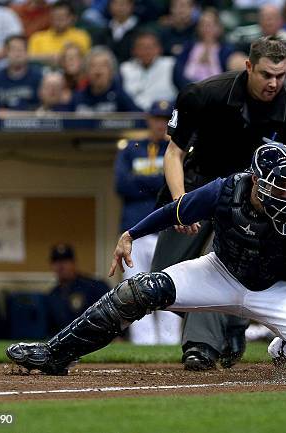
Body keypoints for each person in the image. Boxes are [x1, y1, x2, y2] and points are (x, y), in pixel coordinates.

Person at [6, 142, 286, 375]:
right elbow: (177, 210)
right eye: (276, 187)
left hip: (279, 288)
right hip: (220, 272)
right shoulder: (226, 189)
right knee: (139, 291)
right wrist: (132, 234)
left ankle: (283, 351)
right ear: (256, 180)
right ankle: (54, 355)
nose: (284, 196)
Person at [154, 36, 286, 371]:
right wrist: (179, 203)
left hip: (254, 200)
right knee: (164, 277)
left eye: (281, 75)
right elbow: (173, 152)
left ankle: (201, 348)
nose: (274, 83)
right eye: (266, 75)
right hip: (199, 188)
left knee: (224, 264)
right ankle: (233, 325)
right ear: (248, 67)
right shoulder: (204, 93)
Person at [114, 99, 183, 345]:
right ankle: (143, 342)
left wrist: (143, 180)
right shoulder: (131, 148)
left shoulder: (177, 149)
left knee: (169, 288)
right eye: (156, 118)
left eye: (165, 119)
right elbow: (121, 184)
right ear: (148, 120)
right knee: (134, 290)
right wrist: (158, 180)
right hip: (135, 231)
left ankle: (169, 341)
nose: (160, 124)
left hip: (167, 231)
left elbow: (172, 185)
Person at [45, 244, 110, 335]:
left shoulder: (94, 286)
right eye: (56, 262)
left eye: (65, 261)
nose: (61, 266)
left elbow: (112, 314)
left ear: (73, 263)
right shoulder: (52, 295)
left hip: (95, 339)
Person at [172, 8, 235, 91]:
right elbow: (179, 75)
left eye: (210, 25)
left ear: (219, 28)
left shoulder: (226, 51)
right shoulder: (188, 47)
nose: (207, 28)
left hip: (216, 94)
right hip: (190, 92)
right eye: (203, 24)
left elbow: (227, 79)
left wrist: (211, 60)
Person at [71, 46, 141, 113]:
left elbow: (139, 119)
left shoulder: (120, 97)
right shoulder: (78, 97)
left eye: (103, 66)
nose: (98, 71)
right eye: (93, 66)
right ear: (86, 71)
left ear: (111, 71)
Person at [120, 31, 177, 112]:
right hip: (134, 116)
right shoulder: (125, 69)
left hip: (164, 116)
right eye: (141, 47)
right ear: (134, 51)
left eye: (150, 47)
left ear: (159, 49)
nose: (146, 51)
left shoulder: (171, 65)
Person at [0, 35, 43, 111]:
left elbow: (42, 107)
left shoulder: (38, 77)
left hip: (31, 120)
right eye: (13, 50)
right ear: (5, 53)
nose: (17, 54)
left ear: (27, 52)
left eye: (21, 50)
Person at [28, 0, 91, 65]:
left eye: (62, 17)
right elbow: (30, 59)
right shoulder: (37, 37)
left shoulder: (81, 36)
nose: (58, 20)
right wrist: (49, 58)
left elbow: (84, 59)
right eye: (55, 16)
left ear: (72, 18)